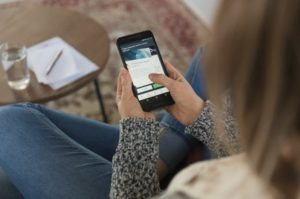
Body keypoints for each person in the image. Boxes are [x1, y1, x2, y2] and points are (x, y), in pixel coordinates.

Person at [1, 0, 299, 198]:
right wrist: (196, 115)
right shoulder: (279, 153)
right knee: (209, 57)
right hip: (214, 152)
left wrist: (137, 130)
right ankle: (165, 156)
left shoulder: (218, 188)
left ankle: (158, 162)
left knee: (10, 122)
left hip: (136, 189)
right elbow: (251, 155)